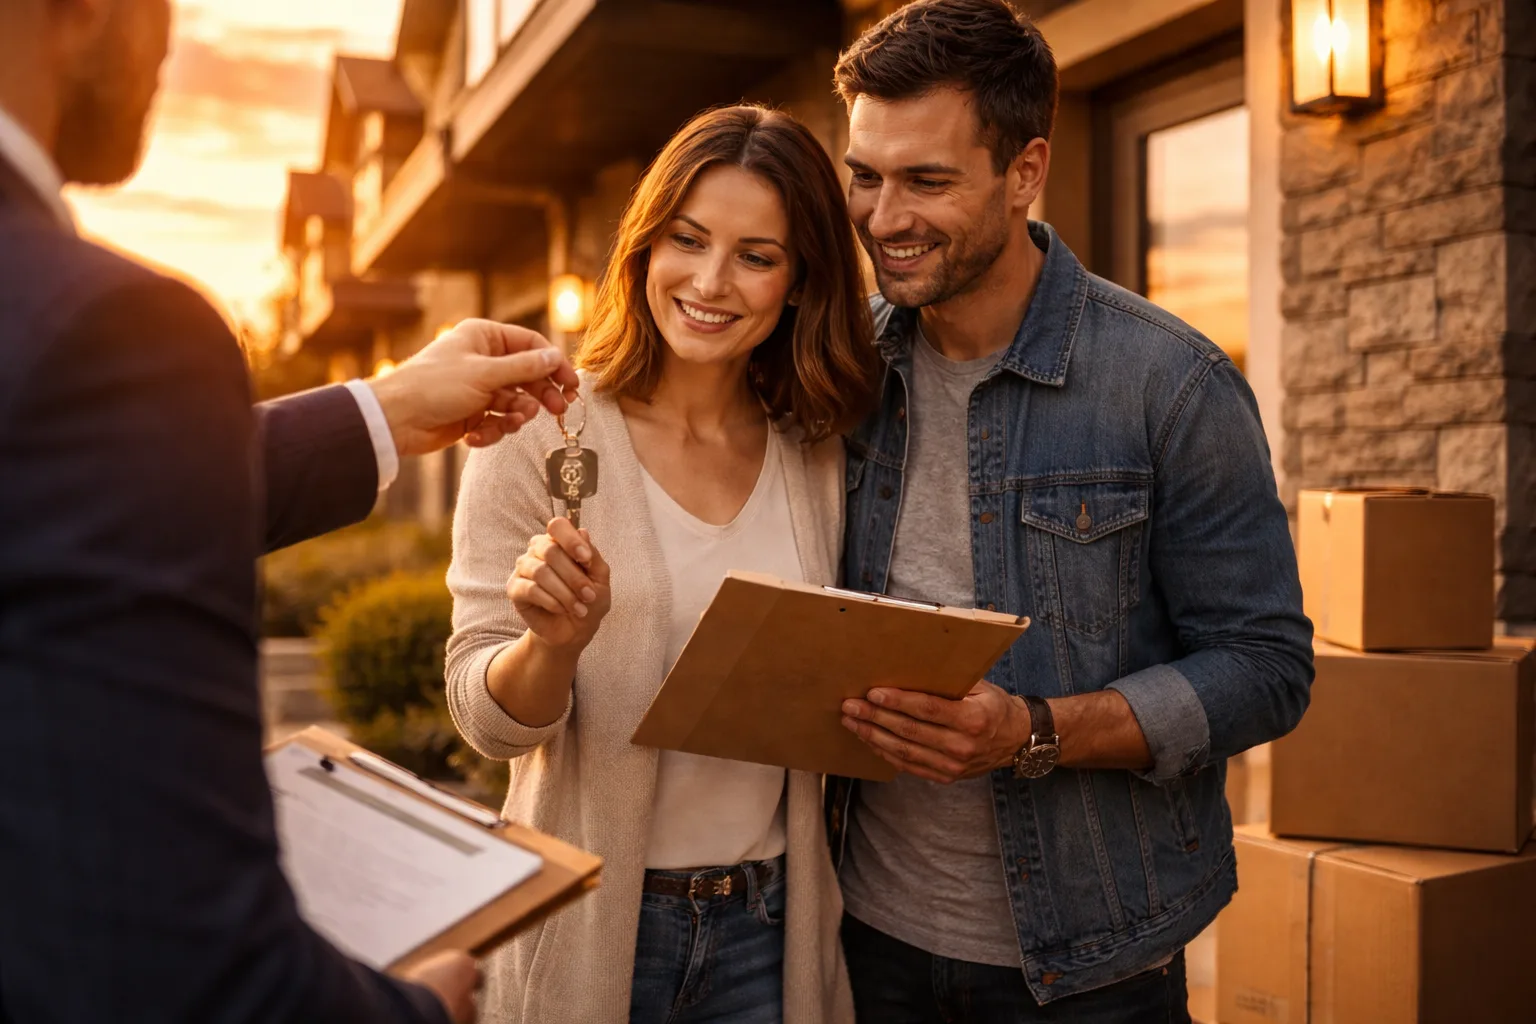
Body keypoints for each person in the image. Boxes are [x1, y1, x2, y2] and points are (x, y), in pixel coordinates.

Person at [0, 1, 580, 1022]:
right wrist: (415, 1006)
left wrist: (383, 410)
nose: (171, 39)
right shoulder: (106, 329)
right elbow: (186, 960)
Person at [824, 2, 1315, 1022]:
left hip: (1094, 968)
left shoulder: (1170, 383)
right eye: (865, 175)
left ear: (1026, 170)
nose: (881, 217)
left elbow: (1265, 670)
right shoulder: (841, 369)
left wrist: (1033, 731)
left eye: (927, 180)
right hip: (859, 939)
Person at [445, 104, 882, 1024]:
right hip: (590, 923)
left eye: (757, 256)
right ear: (645, 246)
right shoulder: (540, 428)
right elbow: (486, 721)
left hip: (770, 927)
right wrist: (553, 647)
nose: (711, 282)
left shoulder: (814, 451)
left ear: (800, 282)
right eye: (688, 239)